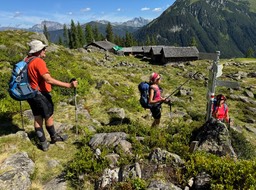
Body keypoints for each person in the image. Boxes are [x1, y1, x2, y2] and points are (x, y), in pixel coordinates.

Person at [26, 40, 78, 151]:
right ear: (38, 51)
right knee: (48, 116)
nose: (45, 50)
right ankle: (53, 138)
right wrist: (68, 85)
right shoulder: (38, 62)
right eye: (43, 49)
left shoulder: (26, 60)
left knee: (37, 118)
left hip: (31, 94)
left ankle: (43, 142)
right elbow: (48, 79)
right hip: (41, 94)